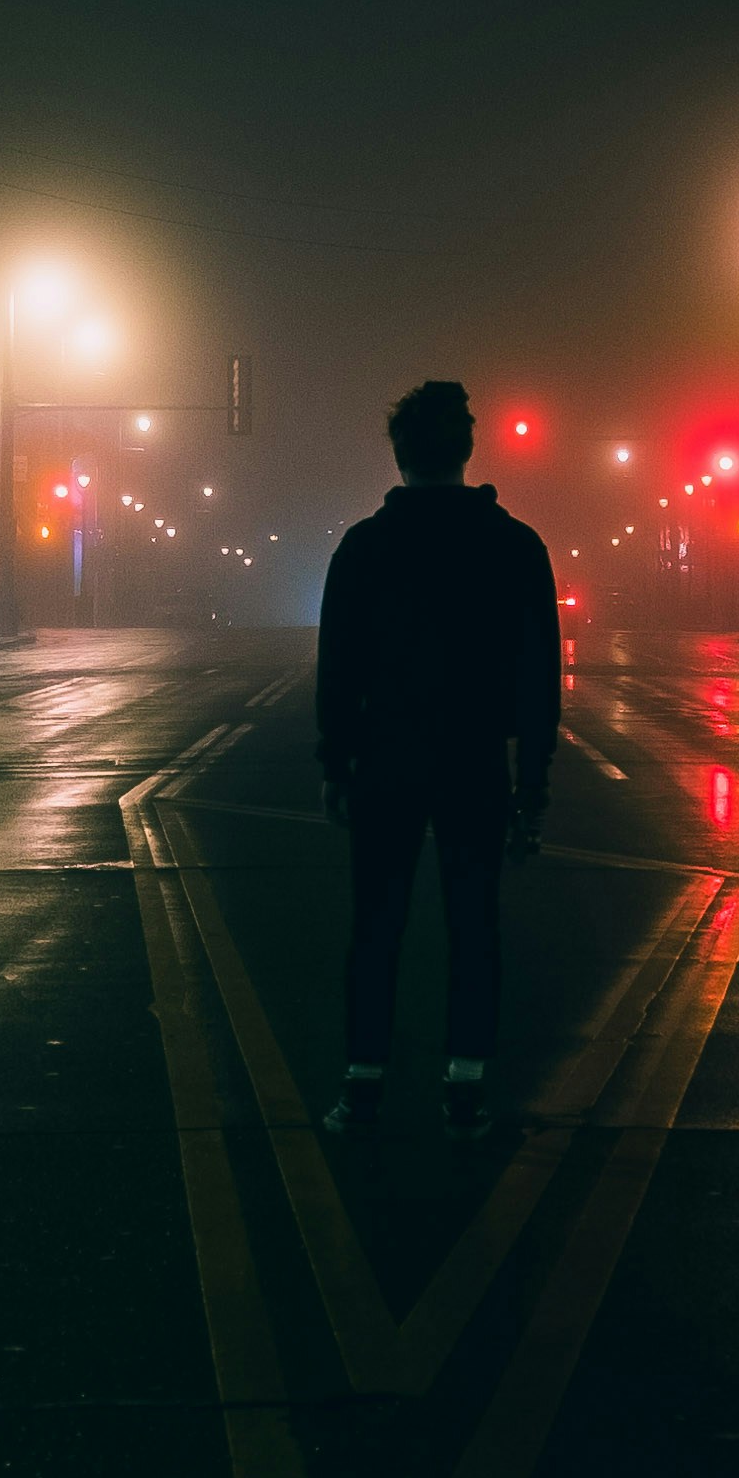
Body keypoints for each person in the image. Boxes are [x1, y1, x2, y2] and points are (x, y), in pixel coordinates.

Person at [315, 377, 561, 1130]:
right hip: (474, 756)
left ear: (399, 456)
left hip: (387, 754)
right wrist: (533, 781)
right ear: (466, 451)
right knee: (473, 921)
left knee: (376, 922)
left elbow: (338, 665)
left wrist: (336, 762)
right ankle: (465, 1085)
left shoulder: (364, 547)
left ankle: (363, 1082)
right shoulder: (513, 545)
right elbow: (538, 671)